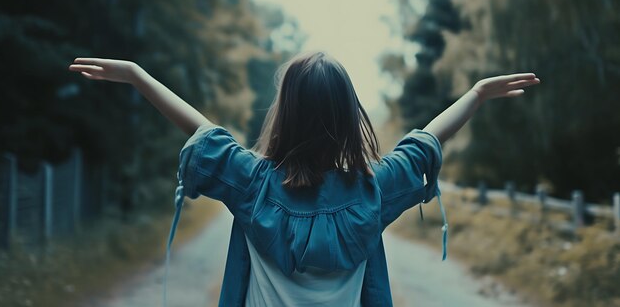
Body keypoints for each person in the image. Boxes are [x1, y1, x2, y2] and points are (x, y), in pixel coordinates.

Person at [69, 51, 539, 306]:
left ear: (285, 113)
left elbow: (201, 131)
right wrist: (475, 95)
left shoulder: (253, 184)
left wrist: (137, 76)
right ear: (348, 115)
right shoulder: (372, 190)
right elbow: (423, 144)